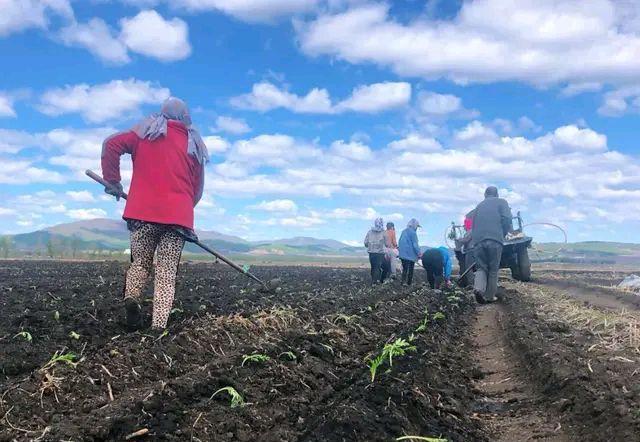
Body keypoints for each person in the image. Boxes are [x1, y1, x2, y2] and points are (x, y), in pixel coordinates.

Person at [101, 97, 209, 330]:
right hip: (177, 219)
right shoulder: (194, 144)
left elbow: (111, 145)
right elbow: (197, 189)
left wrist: (113, 181)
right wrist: (182, 211)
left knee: (140, 263)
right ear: (185, 117)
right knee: (166, 273)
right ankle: (158, 327)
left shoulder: (143, 133)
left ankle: (132, 298)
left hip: (141, 214)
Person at [469, 186, 513, 303]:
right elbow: (507, 219)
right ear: (497, 194)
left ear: (485, 195)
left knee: (481, 268)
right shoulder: (502, 202)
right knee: (493, 269)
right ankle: (489, 296)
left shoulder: (478, 206)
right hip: (495, 239)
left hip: (478, 241)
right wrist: (502, 233)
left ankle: (478, 289)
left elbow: (472, 225)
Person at [364, 218, 388, 285]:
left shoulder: (369, 232)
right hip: (380, 253)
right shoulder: (384, 232)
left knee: (374, 267)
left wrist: (370, 245)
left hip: (371, 253)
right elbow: (387, 244)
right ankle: (379, 281)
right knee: (384, 267)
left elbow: (365, 243)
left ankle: (374, 281)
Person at [398, 218, 421, 286]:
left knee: (405, 269)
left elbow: (400, 242)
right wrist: (419, 253)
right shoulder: (413, 233)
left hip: (402, 254)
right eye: (417, 226)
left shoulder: (404, 231)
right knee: (410, 269)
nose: (417, 228)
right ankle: (409, 283)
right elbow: (415, 245)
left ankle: (403, 282)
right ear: (415, 226)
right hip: (410, 255)